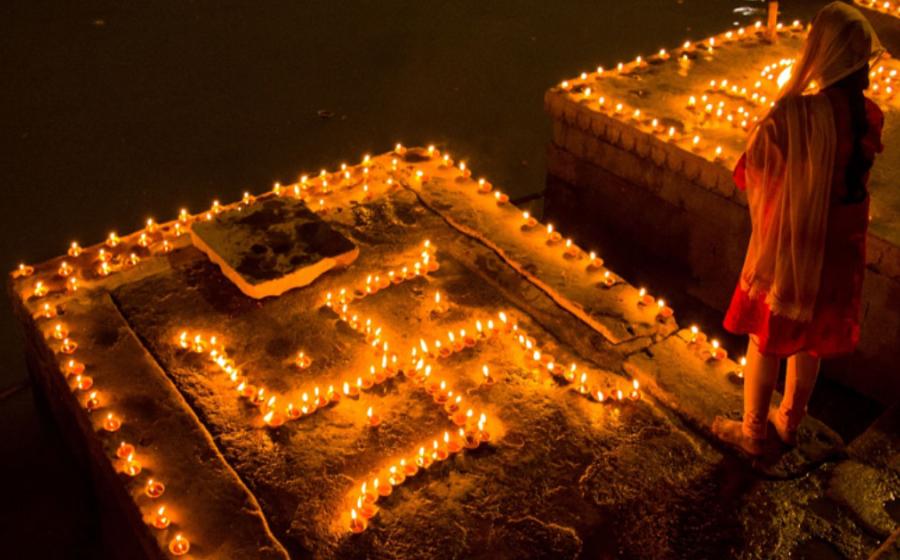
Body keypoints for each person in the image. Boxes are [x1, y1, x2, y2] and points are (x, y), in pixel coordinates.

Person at [712, 2, 885, 456]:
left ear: (820, 52)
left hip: (794, 246)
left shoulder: (793, 116)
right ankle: (789, 421)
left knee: (765, 338)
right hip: (841, 248)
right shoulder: (868, 115)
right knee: (811, 340)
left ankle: (751, 431)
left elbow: (749, 173)